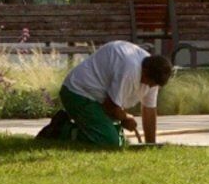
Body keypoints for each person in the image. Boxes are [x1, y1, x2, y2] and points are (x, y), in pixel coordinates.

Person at [35, 38, 171, 148]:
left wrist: (150, 145)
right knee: (108, 142)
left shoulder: (153, 75)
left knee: (118, 141)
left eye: (154, 85)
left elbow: (149, 110)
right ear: (145, 71)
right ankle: (62, 130)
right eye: (149, 83)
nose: (149, 87)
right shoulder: (130, 70)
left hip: (98, 99)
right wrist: (124, 118)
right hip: (78, 93)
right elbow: (110, 106)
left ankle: (84, 128)